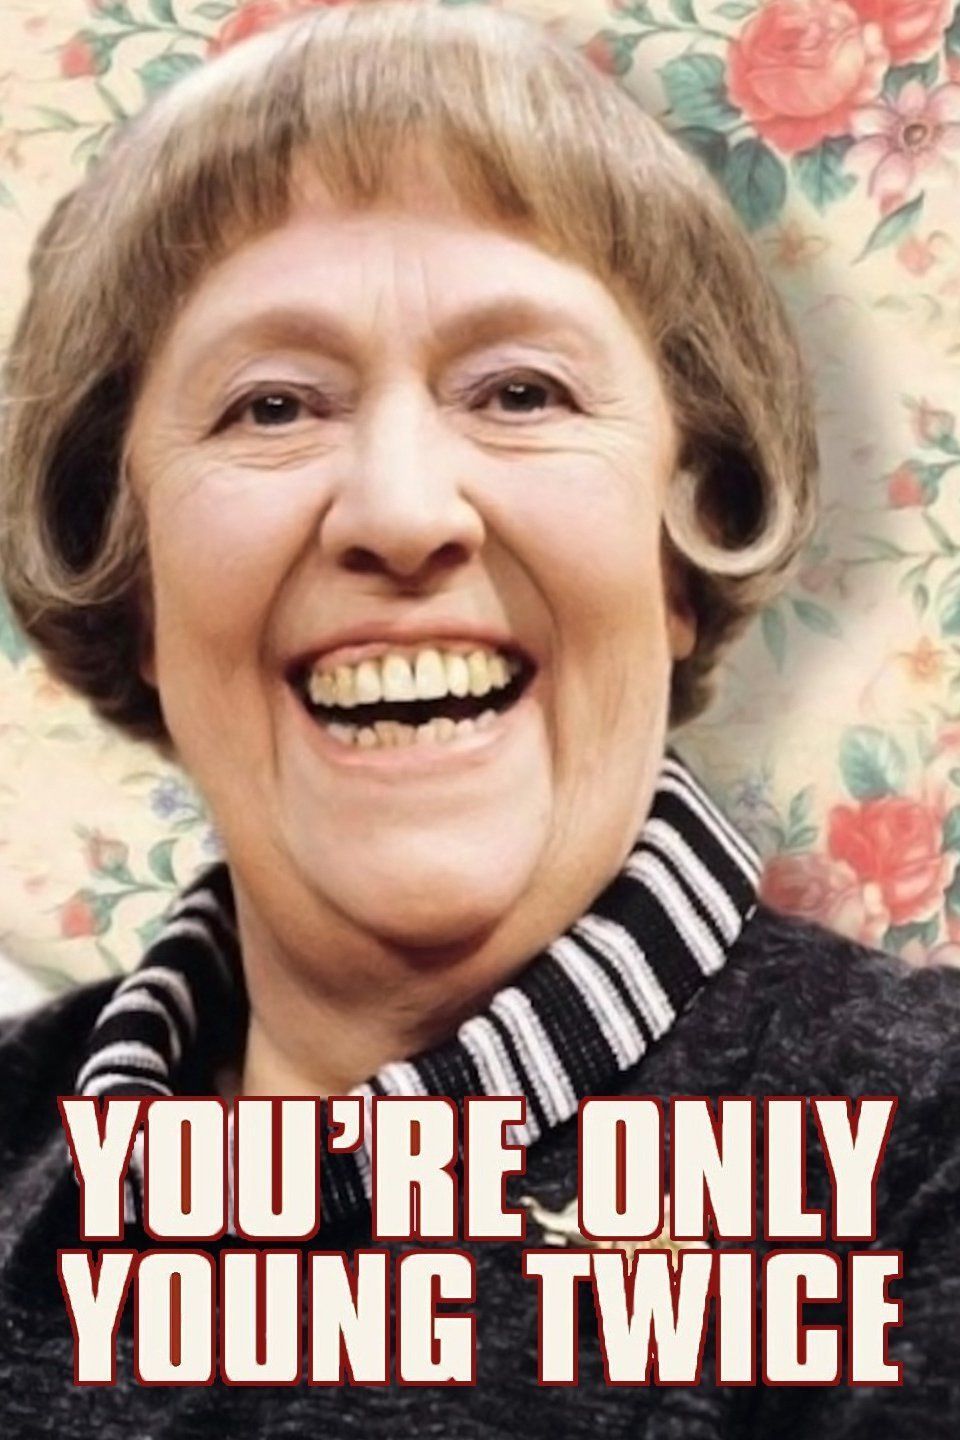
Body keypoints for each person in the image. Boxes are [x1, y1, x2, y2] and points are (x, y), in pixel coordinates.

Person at [0, 1, 957, 1433]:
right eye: (272, 407)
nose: (400, 510)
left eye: (521, 390)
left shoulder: (921, 1155)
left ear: (686, 542)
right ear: (128, 572)